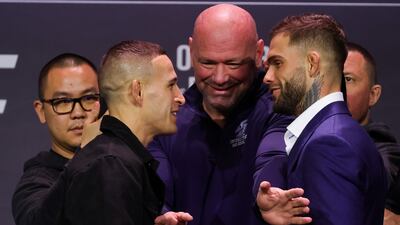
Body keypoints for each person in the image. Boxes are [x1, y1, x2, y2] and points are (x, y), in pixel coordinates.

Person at [148, 4, 310, 225]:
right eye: (208, 63)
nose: (221, 78)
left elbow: (272, 155)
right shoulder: (167, 119)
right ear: (192, 51)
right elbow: (156, 186)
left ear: (257, 52)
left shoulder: (279, 107)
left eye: (233, 63)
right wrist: (161, 214)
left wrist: (269, 191)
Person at [259, 13, 386, 224]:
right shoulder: (341, 132)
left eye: (277, 63)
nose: (267, 77)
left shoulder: (328, 144)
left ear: (312, 64)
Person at [59, 40, 191, 225]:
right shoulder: (110, 166)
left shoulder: (118, 160)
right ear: (137, 91)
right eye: (170, 85)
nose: (180, 98)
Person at [12, 53, 101, 225]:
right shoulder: (35, 185)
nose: (78, 113)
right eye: (62, 101)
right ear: (41, 111)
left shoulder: (123, 165)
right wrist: (86, 155)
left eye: (89, 98)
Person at [344, 42, 400, 224]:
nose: (337, 89)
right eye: (330, 79)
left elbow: (377, 176)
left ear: (373, 95)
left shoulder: (380, 144)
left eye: (348, 79)